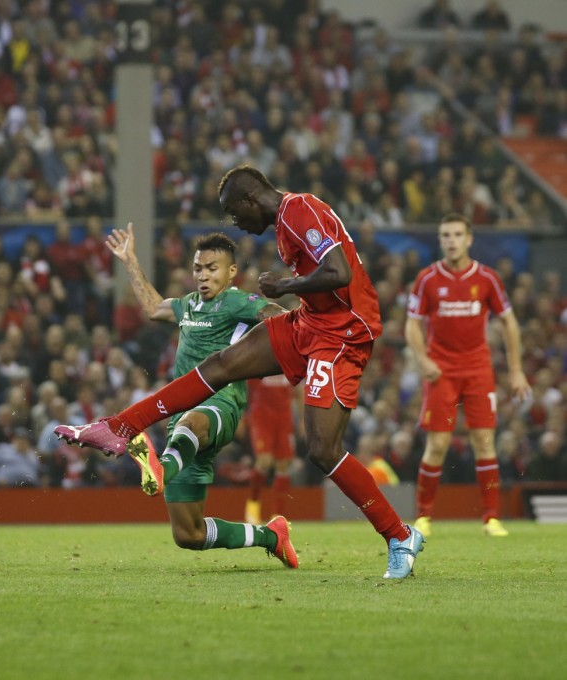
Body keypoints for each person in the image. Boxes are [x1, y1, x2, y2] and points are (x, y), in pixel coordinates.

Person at [56, 165, 425, 579]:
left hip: (341, 334)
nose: (237, 224)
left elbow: (340, 272)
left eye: (235, 213)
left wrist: (285, 287)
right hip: (312, 323)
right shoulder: (285, 225)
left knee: (322, 449)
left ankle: (399, 535)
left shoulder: (300, 209)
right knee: (221, 364)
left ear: (251, 200)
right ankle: (120, 427)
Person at [105, 224, 297, 568]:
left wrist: (289, 322)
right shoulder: (187, 306)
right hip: (183, 420)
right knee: (189, 535)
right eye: (198, 269)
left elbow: (271, 312)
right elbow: (152, 307)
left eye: (212, 268)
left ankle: (161, 468)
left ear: (231, 272)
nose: (203, 276)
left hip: (221, 406)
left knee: (193, 423)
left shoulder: (237, 300)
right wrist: (130, 260)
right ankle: (272, 535)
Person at [405, 213, 531, 538]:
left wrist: (516, 370)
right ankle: (423, 517)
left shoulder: (487, 278)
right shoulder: (427, 279)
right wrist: (422, 360)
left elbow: (510, 322)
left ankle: (491, 518)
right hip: (441, 372)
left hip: (477, 370)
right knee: (438, 444)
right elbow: (412, 324)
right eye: (445, 235)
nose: (451, 240)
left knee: (484, 442)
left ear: (469, 239)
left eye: (457, 234)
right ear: (440, 239)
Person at [244, 374, 297, 525]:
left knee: (284, 463)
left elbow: (299, 390)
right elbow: (243, 387)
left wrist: (302, 419)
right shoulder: (261, 360)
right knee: (265, 461)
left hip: (284, 416)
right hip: (262, 415)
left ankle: (278, 516)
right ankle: (253, 504)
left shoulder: (290, 361)